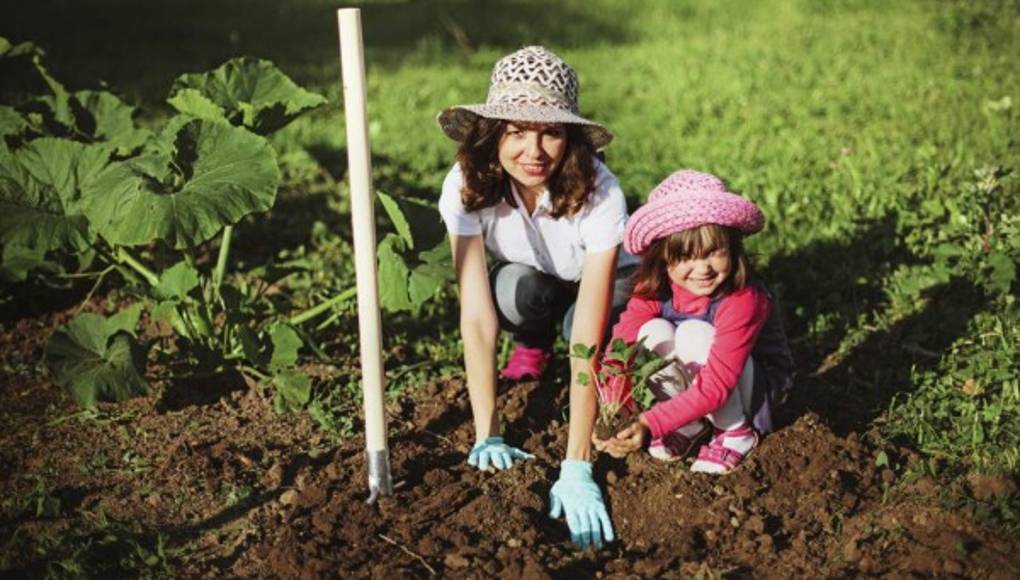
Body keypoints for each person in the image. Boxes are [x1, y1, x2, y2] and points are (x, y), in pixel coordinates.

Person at [436, 46, 637, 548]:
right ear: (492, 134)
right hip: (540, 279)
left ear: (569, 137)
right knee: (511, 290)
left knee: (579, 330)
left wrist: (577, 464)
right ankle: (534, 344)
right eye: (516, 132)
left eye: (550, 132)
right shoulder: (465, 184)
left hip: (610, 280)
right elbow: (477, 316)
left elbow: (587, 334)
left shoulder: (600, 191)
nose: (534, 150)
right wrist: (487, 431)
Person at [593, 170, 795, 473]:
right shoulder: (654, 289)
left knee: (693, 332)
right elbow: (621, 348)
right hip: (704, 388)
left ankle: (734, 431)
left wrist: (650, 422)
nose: (703, 269)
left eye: (714, 252)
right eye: (686, 256)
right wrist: (615, 405)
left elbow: (716, 386)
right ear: (663, 258)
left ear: (733, 248)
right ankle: (688, 424)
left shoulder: (742, 299)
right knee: (650, 333)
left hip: (754, 389)